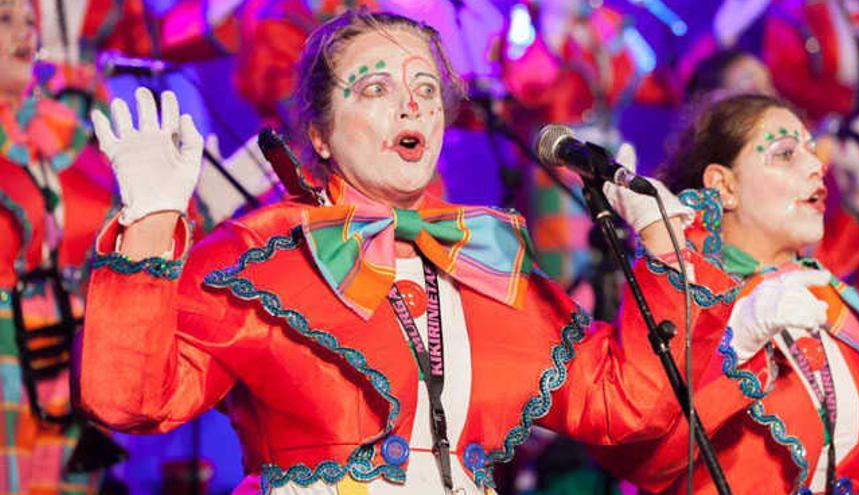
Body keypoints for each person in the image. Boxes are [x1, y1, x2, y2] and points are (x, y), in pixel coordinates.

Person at [76, 10, 712, 495]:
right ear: (319, 135)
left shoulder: (484, 259)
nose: (413, 104)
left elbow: (627, 404)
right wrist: (151, 224)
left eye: (428, 89)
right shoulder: (265, 257)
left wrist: (660, 250)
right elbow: (131, 401)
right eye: (376, 88)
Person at [588, 93, 859, 494]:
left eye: (813, 151)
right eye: (786, 154)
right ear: (724, 186)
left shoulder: (827, 296)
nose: (817, 166)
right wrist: (736, 349)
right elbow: (641, 458)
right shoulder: (686, 304)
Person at [0, 0, 120, 492]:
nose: (24, 34)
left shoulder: (64, 130)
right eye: (4, 20)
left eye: (30, 21)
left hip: (63, 352)